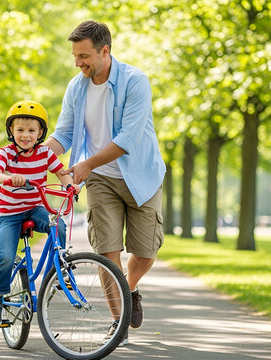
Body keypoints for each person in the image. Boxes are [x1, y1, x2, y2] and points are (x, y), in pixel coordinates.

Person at [43, 20, 166, 344]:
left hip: (141, 175)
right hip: (100, 179)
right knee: (106, 251)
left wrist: (84, 165)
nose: (78, 62)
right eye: (74, 56)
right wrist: (35, 156)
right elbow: (64, 133)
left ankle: (130, 287)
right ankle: (118, 324)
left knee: (145, 253)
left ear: (105, 51)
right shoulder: (76, 87)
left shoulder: (135, 82)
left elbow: (127, 138)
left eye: (84, 56)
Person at [0, 99, 79, 327]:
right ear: (11, 131)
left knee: (58, 224)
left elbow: (61, 172)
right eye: (20, 130)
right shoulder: (6, 153)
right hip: (9, 213)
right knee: (6, 256)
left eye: (31, 130)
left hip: (34, 208)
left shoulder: (45, 153)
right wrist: (9, 178)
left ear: (40, 133)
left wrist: (69, 185)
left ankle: (56, 272)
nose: (25, 135)